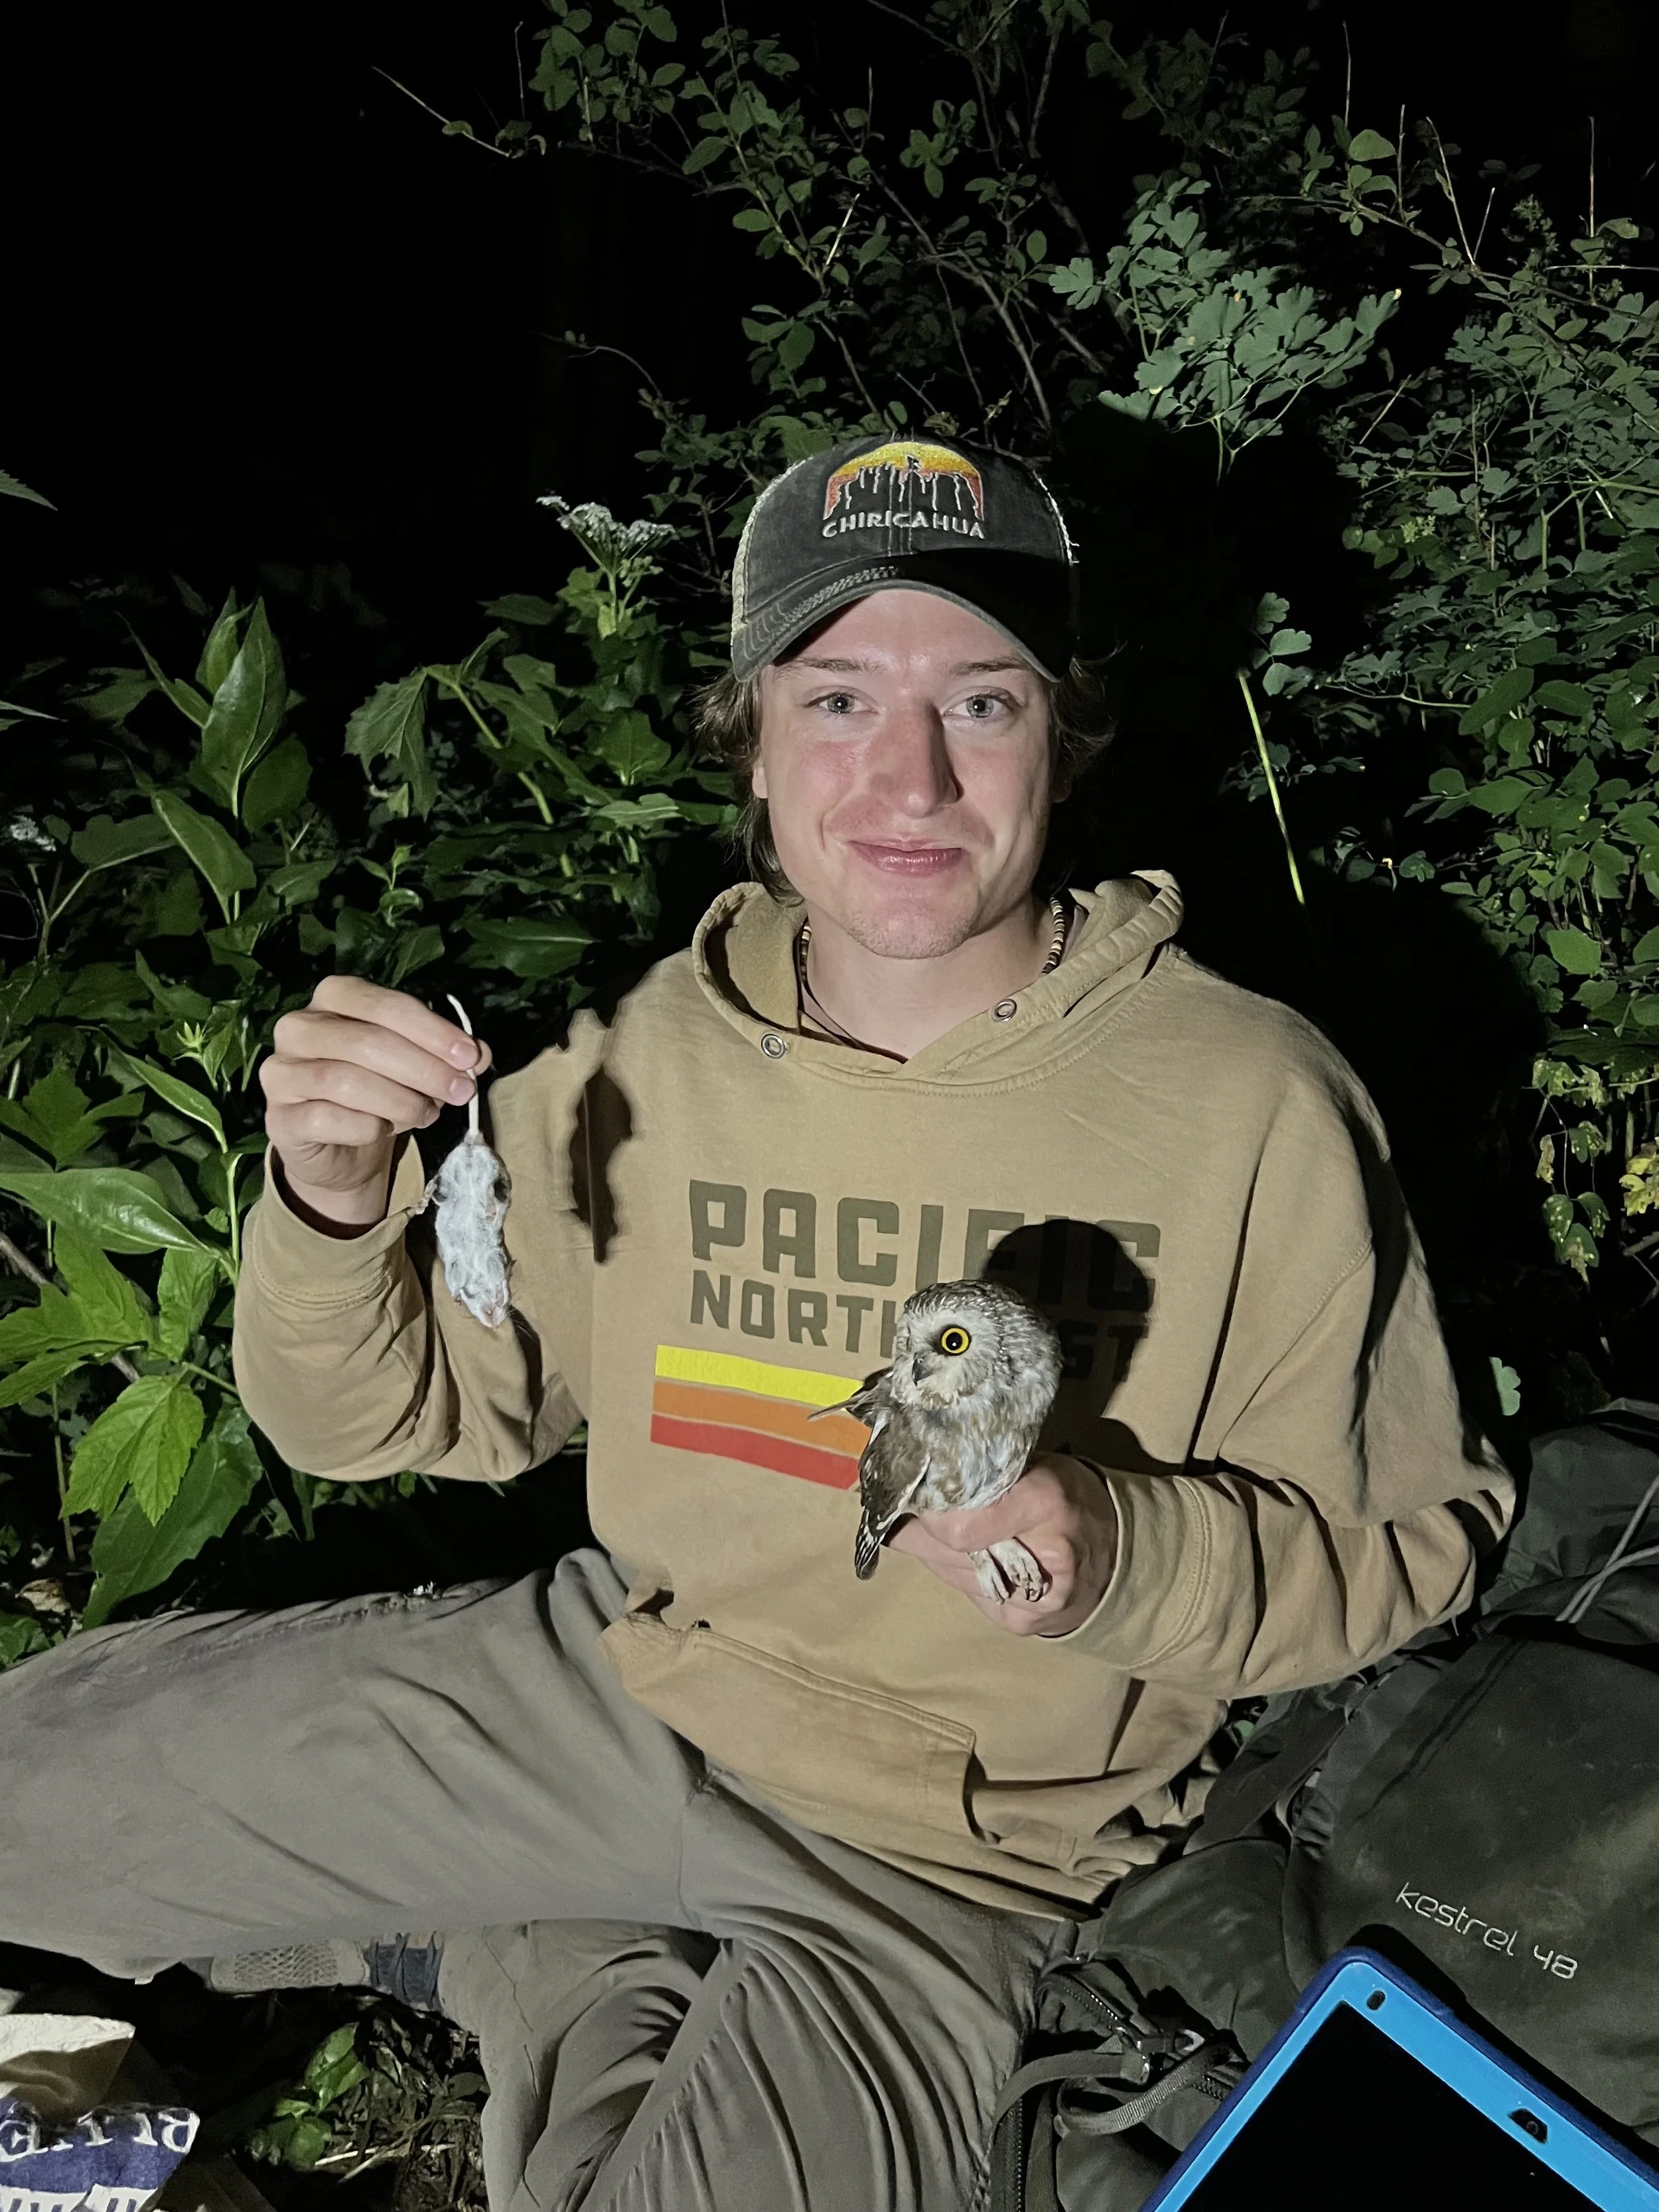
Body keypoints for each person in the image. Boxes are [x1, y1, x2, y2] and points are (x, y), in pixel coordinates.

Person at [0, 438, 1512, 2212]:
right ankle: (551, 1912)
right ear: (752, 735)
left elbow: (1411, 1547)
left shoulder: (1248, 1100)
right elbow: (393, 1415)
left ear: (1063, 735)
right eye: (840, 694)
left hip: (952, 1857)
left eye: (985, 699)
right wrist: (335, 1200)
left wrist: (1121, 1543)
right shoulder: (641, 1053)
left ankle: (547, 1957)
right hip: (622, 1688)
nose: (912, 774)